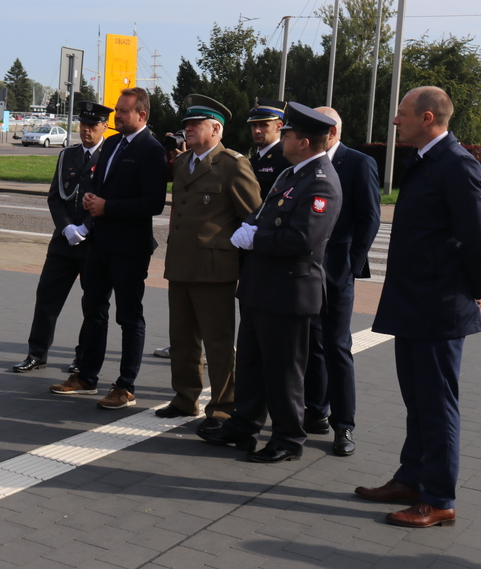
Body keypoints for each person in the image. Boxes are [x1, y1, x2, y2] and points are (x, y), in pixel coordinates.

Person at [356, 86, 481, 528]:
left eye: (402, 114)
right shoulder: (428, 160)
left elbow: (475, 234)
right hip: (414, 301)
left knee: (437, 404)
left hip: (438, 306)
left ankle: (439, 498)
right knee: (417, 399)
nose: (395, 121)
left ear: (427, 118)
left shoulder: (457, 165)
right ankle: (411, 478)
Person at [199, 102, 341, 463]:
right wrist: (249, 225)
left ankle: (288, 439)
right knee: (251, 363)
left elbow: (301, 240)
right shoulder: (291, 174)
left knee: (284, 372)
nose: (284, 138)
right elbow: (263, 213)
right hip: (262, 287)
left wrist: (254, 239)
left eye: (289, 134)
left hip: (289, 292)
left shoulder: (322, 181)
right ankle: (244, 425)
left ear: (304, 143)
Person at [50, 87, 168, 409]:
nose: (117, 116)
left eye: (124, 111)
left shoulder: (151, 150)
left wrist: (108, 206)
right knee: (94, 309)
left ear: (141, 115)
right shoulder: (114, 143)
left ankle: (125, 386)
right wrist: (92, 199)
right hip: (100, 242)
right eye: (117, 110)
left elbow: (153, 203)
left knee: (129, 317)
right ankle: (87, 376)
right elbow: (100, 185)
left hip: (130, 248)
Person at [156, 95, 262, 435]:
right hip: (181, 264)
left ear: (216, 129)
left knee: (217, 344)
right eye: (186, 125)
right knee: (182, 338)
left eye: (194, 125)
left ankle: (223, 406)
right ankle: (185, 397)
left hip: (215, 269)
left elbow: (253, 216)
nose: (187, 129)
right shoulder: (184, 161)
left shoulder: (232, 164)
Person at [303, 107, 380, 456]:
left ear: (332, 131)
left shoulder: (358, 163)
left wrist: (351, 264)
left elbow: (370, 219)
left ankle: (343, 425)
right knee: (312, 343)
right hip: (306, 270)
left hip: (338, 272)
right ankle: (315, 411)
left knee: (337, 346)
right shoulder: (305, 162)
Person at [12, 102, 111, 374]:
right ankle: (36, 353)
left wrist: (86, 227)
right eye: (83, 124)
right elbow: (55, 197)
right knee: (47, 297)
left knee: (92, 303)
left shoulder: (109, 156)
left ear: (104, 126)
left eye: (93, 125)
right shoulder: (68, 155)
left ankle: (82, 357)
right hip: (64, 241)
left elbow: (109, 198)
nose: (86, 130)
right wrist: (66, 227)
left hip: (93, 242)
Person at [248, 97, 292, 199]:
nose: (257, 131)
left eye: (264, 125)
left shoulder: (286, 159)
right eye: (254, 125)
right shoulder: (251, 161)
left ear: (279, 126)